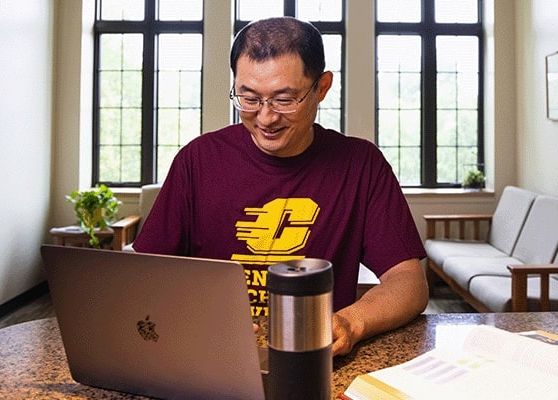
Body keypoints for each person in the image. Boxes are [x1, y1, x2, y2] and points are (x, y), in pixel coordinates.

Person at [133, 16, 429, 356]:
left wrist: (350, 322)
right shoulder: (197, 160)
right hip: (212, 355)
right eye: (249, 98)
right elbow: (146, 277)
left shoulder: (361, 164)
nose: (266, 117)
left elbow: (408, 282)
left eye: (284, 100)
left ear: (322, 88)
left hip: (316, 359)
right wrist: (197, 313)